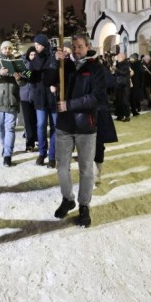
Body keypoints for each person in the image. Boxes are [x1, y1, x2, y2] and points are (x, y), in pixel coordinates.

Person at [53, 33, 106, 228]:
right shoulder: (64, 65)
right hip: (64, 125)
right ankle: (68, 199)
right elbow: (47, 79)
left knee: (85, 170)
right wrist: (54, 61)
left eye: (80, 46)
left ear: (88, 46)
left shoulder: (96, 68)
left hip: (86, 126)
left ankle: (84, 206)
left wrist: (69, 105)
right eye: (73, 46)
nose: (76, 50)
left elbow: (97, 98)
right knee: (61, 167)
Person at [0, 41, 25, 167]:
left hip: (12, 101)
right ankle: (5, 146)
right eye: (5, 48)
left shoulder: (17, 64)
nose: (7, 50)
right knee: (0, 129)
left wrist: (19, 78)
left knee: (10, 129)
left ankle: (8, 155)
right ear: (1, 49)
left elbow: (24, 82)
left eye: (9, 48)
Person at [27, 33, 59, 167]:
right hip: (40, 97)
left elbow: (59, 74)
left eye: (38, 45)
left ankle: (52, 156)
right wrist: (23, 74)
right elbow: (30, 76)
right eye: (35, 45)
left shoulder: (53, 57)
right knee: (40, 126)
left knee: (55, 127)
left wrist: (56, 85)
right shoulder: (34, 60)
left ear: (44, 44)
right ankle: (42, 153)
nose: (36, 47)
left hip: (52, 97)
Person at [19, 46, 38, 152]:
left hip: (36, 95)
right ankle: (29, 142)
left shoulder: (39, 63)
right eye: (31, 54)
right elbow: (24, 77)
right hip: (25, 95)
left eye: (35, 54)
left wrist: (25, 73)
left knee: (37, 120)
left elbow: (33, 76)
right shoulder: (22, 63)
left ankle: (38, 138)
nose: (33, 56)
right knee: (28, 120)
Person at [113, 51, 131, 122]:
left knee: (125, 101)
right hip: (119, 85)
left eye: (118, 57)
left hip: (125, 85)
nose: (117, 58)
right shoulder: (118, 64)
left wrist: (116, 69)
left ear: (122, 58)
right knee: (119, 101)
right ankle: (120, 115)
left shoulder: (126, 64)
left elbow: (124, 73)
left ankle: (127, 116)